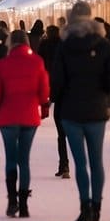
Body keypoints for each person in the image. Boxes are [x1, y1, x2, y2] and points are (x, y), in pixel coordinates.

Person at [50, 1, 110, 221]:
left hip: (71, 111)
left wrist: (60, 101)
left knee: (80, 163)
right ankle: (97, 207)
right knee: (96, 160)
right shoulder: (103, 44)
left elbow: (57, 82)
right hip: (97, 110)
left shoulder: (65, 46)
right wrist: (106, 99)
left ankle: (84, 207)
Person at [0, 30, 49, 218]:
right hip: (30, 117)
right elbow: (44, 90)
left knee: (10, 159)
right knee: (25, 160)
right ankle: (23, 204)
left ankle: (12, 200)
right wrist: (44, 109)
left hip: (7, 117)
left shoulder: (1, 65)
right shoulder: (37, 62)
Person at [37, 23, 69, 178]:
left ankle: (64, 165)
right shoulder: (66, 48)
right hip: (71, 97)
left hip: (56, 89)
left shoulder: (44, 45)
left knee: (61, 134)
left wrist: (51, 99)